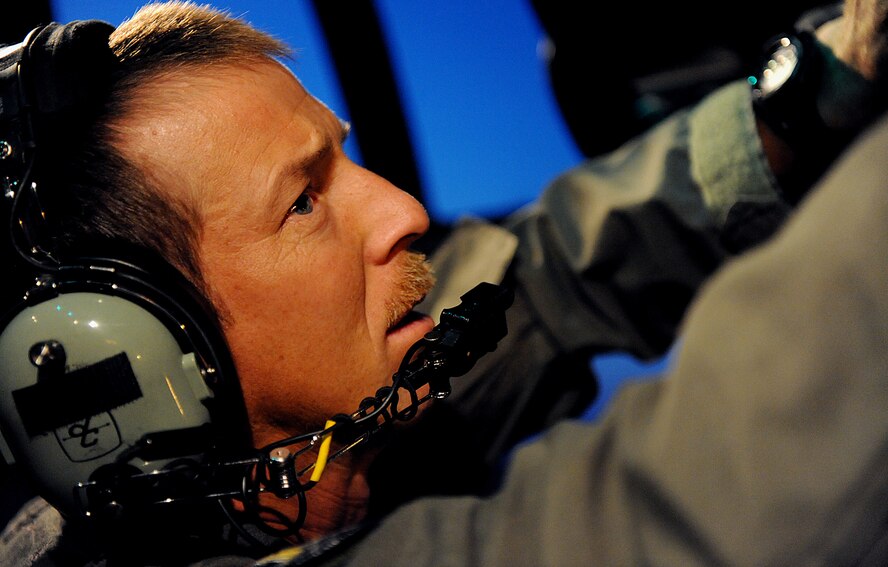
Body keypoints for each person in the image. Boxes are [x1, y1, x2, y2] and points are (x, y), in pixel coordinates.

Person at [0, 1, 886, 566]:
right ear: (143, 357)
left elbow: (555, 267)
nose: (406, 211)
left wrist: (827, 81)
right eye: (304, 202)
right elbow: (673, 520)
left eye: (344, 158)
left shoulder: (348, 409)